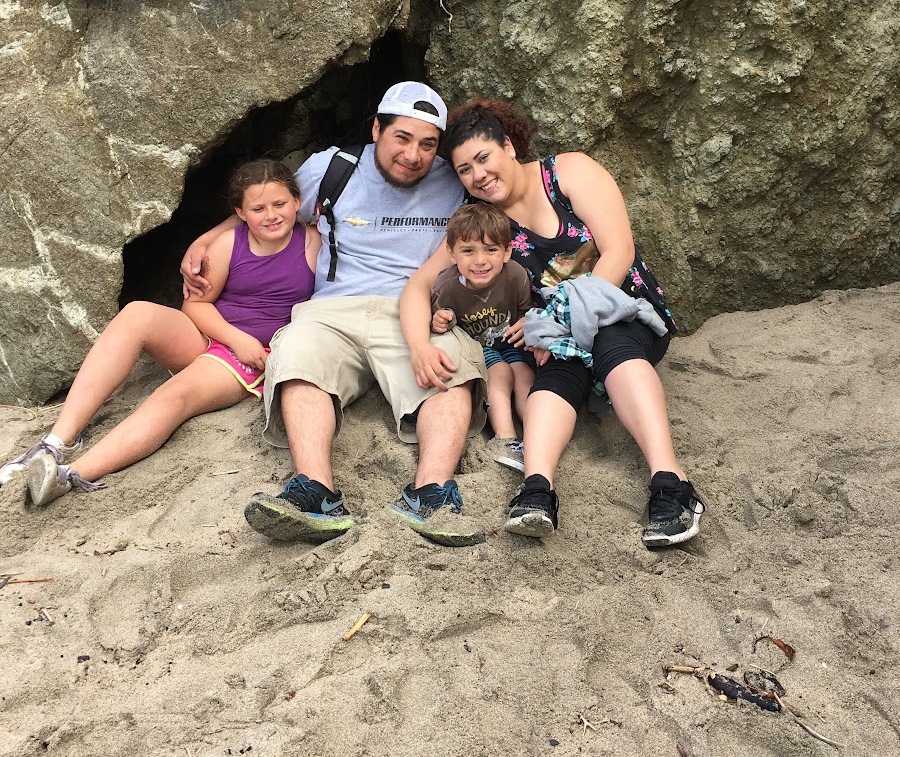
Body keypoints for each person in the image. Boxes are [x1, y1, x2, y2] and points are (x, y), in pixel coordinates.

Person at [180, 82, 488, 547]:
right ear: (377, 129)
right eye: (401, 138)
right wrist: (204, 240)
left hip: (415, 311)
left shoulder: (455, 181)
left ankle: (432, 494)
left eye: (428, 144)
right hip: (332, 310)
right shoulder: (334, 167)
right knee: (297, 354)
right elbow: (266, 207)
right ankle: (315, 492)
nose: (413, 155)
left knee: (452, 365)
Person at [400, 99, 705, 547]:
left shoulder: (568, 172)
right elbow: (418, 287)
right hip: (555, 337)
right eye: (465, 169)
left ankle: (671, 483)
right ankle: (536, 490)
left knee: (612, 345)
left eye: (483, 158)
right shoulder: (484, 223)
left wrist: (557, 317)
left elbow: (619, 250)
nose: (478, 175)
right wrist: (419, 346)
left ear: (508, 146)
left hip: (621, 308)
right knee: (554, 375)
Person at [1, 160, 320, 506]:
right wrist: (234, 337)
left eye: (280, 204)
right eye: (258, 208)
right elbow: (195, 306)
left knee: (175, 393)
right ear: (240, 213)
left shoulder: (313, 243)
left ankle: (70, 475)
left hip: (252, 358)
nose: (271, 215)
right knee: (136, 313)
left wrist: (244, 344)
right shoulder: (228, 243)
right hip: (216, 337)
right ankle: (58, 441)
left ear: (296, 202)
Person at [430, 202, 534, 472]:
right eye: (468, 251)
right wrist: (439, 319)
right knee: (500, 372)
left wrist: (526, 321)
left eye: (491, 249)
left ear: (507, 251)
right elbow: (436, 323)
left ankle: (536, 432)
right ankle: (505, 438)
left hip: (508, 340)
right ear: (451, 253)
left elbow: (525, 311)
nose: (480, 261)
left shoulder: (516, 275)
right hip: (475, 347)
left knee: (524, 374)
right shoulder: (446, 286)